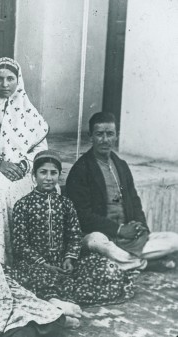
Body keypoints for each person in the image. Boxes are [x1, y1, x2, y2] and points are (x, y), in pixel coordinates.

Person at [11, 150, 135, 320]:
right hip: (36, 266)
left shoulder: (66, 204)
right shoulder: (23, 205)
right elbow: (20, 244)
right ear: (34, 175)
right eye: (43, 172)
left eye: (53, 173)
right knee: (29, 281)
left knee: (107, 269)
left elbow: (75, 235)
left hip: (64, 263)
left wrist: (69, 258)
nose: (48, 177)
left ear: (59, 175)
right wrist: (44, 264)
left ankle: (54, 300)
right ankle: (56, 302)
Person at [66, 112, 178, 271]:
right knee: (94, 242)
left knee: (174, 240)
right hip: (101, 235)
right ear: (90, 136)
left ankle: (126, 262)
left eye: (110, 134)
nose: (105, 140)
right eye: (99, 134)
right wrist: (119, 230)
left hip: (128, 238)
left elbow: (134, 199)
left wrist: (140, 226)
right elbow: (82, 215)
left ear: (117, 136)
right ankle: (146, 264)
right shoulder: (81, 169)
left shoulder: (122, 165)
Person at [0, 57, 49, 264]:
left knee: (31, 194)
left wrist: (25, 164)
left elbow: (40, 146)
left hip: (22, 167)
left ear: (18, 80)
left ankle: (29, 260)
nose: (5, 84)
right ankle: (0, 260)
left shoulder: (28, 110)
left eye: (10, 78)